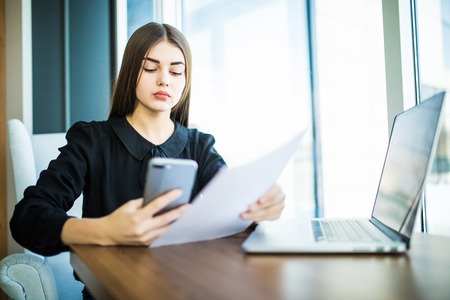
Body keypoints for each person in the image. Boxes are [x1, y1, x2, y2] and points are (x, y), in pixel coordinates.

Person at [10, 22, 285, 256]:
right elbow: (28, 218)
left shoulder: (199, 146)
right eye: (151, 68)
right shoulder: (91, 140)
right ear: (131, 73)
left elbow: (229, 208)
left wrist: (259, 205)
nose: (165, 80)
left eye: (176, 72)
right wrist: (105, 230)